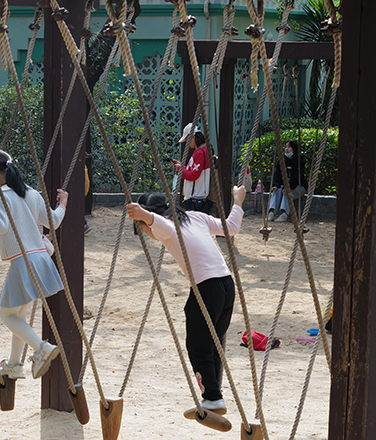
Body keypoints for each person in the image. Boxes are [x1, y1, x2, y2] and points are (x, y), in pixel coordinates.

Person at [126, 184, 247, 416]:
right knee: (214, 342)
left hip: (207, 287)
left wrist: (144, 216)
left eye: (143, 228)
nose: (147, 233)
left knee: (198, 344)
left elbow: (158, 224)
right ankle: (215, 395)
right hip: (226, 284)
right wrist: (238, 200)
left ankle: (212, 397)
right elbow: (231, 228)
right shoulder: (196, 217)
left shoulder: (168, 227)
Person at [0, 149, 66, 380]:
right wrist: (63, 204)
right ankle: (15, 365)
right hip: (41, 259)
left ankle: (41, 348)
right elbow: (53, 222)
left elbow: (1, 225)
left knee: (7, 315)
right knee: (20, 314)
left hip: (23, 262)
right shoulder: (31, 193)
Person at [172, 123, 213, 214]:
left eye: (187, 140)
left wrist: (180, 169)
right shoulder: (202, 151)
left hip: (195, 197)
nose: (187, 143)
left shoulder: (199, 153)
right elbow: (194, 171)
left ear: (193, 137)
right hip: (197, 195)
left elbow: (193, 175)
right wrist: (182, 166)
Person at [267, 140, 306, 223]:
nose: (287, 149)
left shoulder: (299, 161)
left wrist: (288, 186)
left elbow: (297, 177)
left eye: (289, 147)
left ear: (294, 149)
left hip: (297, 187)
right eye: (286, 147)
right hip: (285, 186)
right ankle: (272, 212)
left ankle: (284, 214)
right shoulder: (282, 160)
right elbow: (277, 174)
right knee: (276, 190)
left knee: (286, 192)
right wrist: (276, 185)